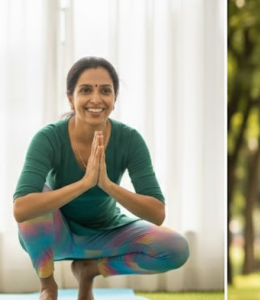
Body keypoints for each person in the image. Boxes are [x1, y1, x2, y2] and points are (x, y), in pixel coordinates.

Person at [13, 57, 189, 300]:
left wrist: (106, 184)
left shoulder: (130, 140)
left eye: (105, 91)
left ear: (114, 100)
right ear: (70, 98)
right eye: (85, 90)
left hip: (105, 233)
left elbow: (157, 213)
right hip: (56, 237)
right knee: (34, 199)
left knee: (176, 248)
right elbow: (21, 209)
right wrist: (84, 183)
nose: (96, 99)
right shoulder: (48, 139)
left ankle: (88, 270)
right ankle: (48, 285)